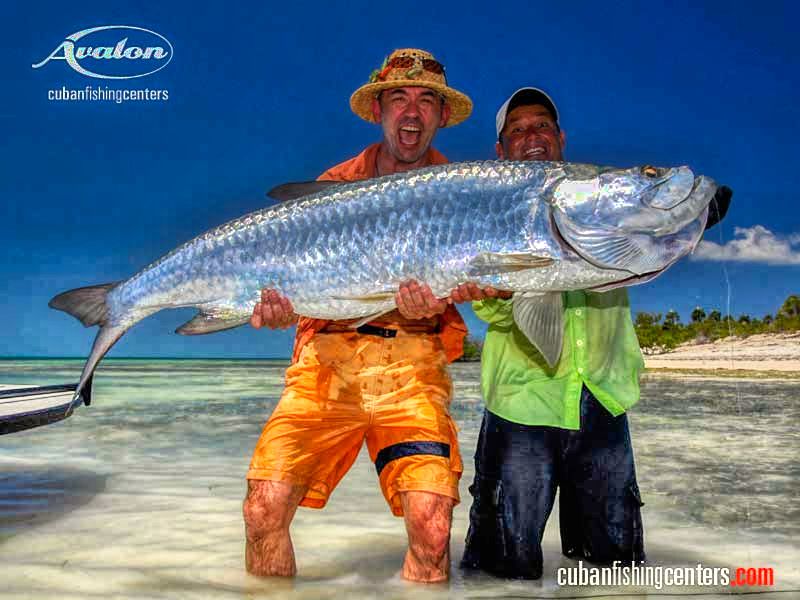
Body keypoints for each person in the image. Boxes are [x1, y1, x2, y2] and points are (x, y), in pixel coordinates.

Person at [458, 87, 731, 580]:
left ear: (560, 138)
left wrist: (696, 206)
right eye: (516, 131)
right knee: (500, 575)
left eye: (541, 126)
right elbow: (494, 314)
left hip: (603, 400)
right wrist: (501, 290)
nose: (531, 137)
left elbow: (671, 221)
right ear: (500, 152)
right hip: (521, 404)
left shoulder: (598, 196)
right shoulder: (479, 208)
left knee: (613, 575)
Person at [242, 48, 476, 583]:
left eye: (426, 101)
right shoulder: (334, 185)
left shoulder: (463, 190)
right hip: (327, 358)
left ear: (441, 116)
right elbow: (293, 285)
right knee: (263, 508)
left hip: (413, 364)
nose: (412, 113)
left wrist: (443, 301)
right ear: (379, 111)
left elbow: (492, 282)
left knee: (433, 526)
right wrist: (281, 307)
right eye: (399, 98)